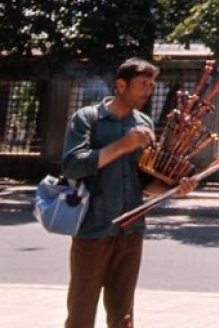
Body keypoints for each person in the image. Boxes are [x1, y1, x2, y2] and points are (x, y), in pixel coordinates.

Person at [62, 57, 198, 328]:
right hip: (94, 228)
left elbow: (144, 181)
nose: (148, 90)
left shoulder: (144, 123)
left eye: (152, 85)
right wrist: (123, 145)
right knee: (81, 311)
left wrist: (173, 190)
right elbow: (72, 165)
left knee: (123, 314)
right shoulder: (88, 118)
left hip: (131, 231)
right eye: (143, 84)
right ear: (121, 85)